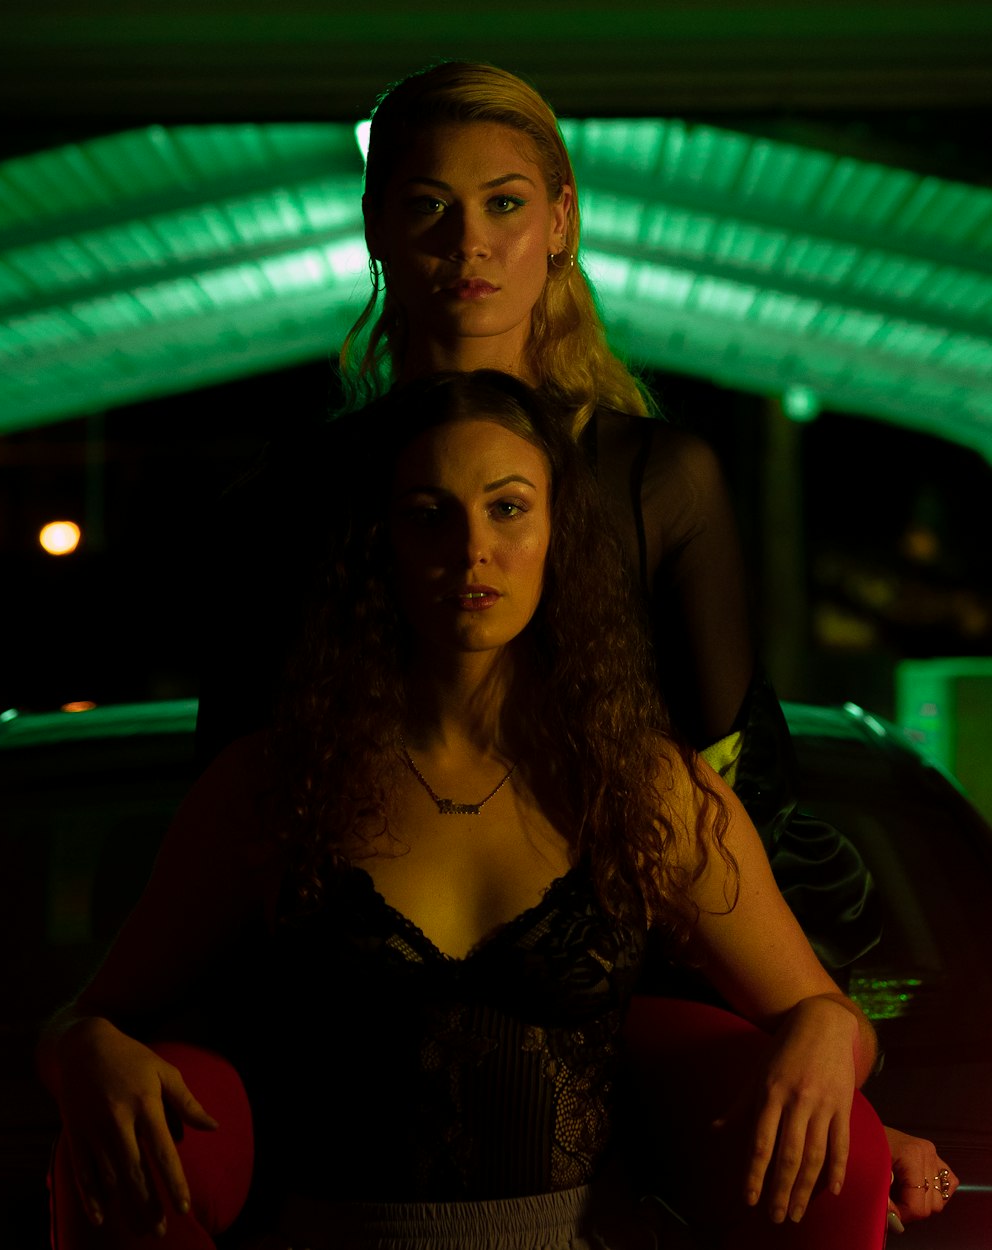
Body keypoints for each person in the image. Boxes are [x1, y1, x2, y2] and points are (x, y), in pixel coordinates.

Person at [191, 62, 955, 1234]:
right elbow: (229, 827)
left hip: (620, 1058)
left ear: (562, 222)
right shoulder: (287, 500)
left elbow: (747, 794)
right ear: (376, 228)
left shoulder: (658, 481)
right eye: (428, 207)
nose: (468, 245)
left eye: (504, 203)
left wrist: (816, 1068)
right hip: (340, 1086)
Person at [41, 371, 894, 1249]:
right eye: (428, 512)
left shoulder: (641, 786)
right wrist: (81, 1053)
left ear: (559, 532)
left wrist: (830, 1032)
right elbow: (84, 1017)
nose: (472, 548)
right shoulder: (274, 783)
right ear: (381, 543)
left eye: (509, 508)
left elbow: (827, 1016)